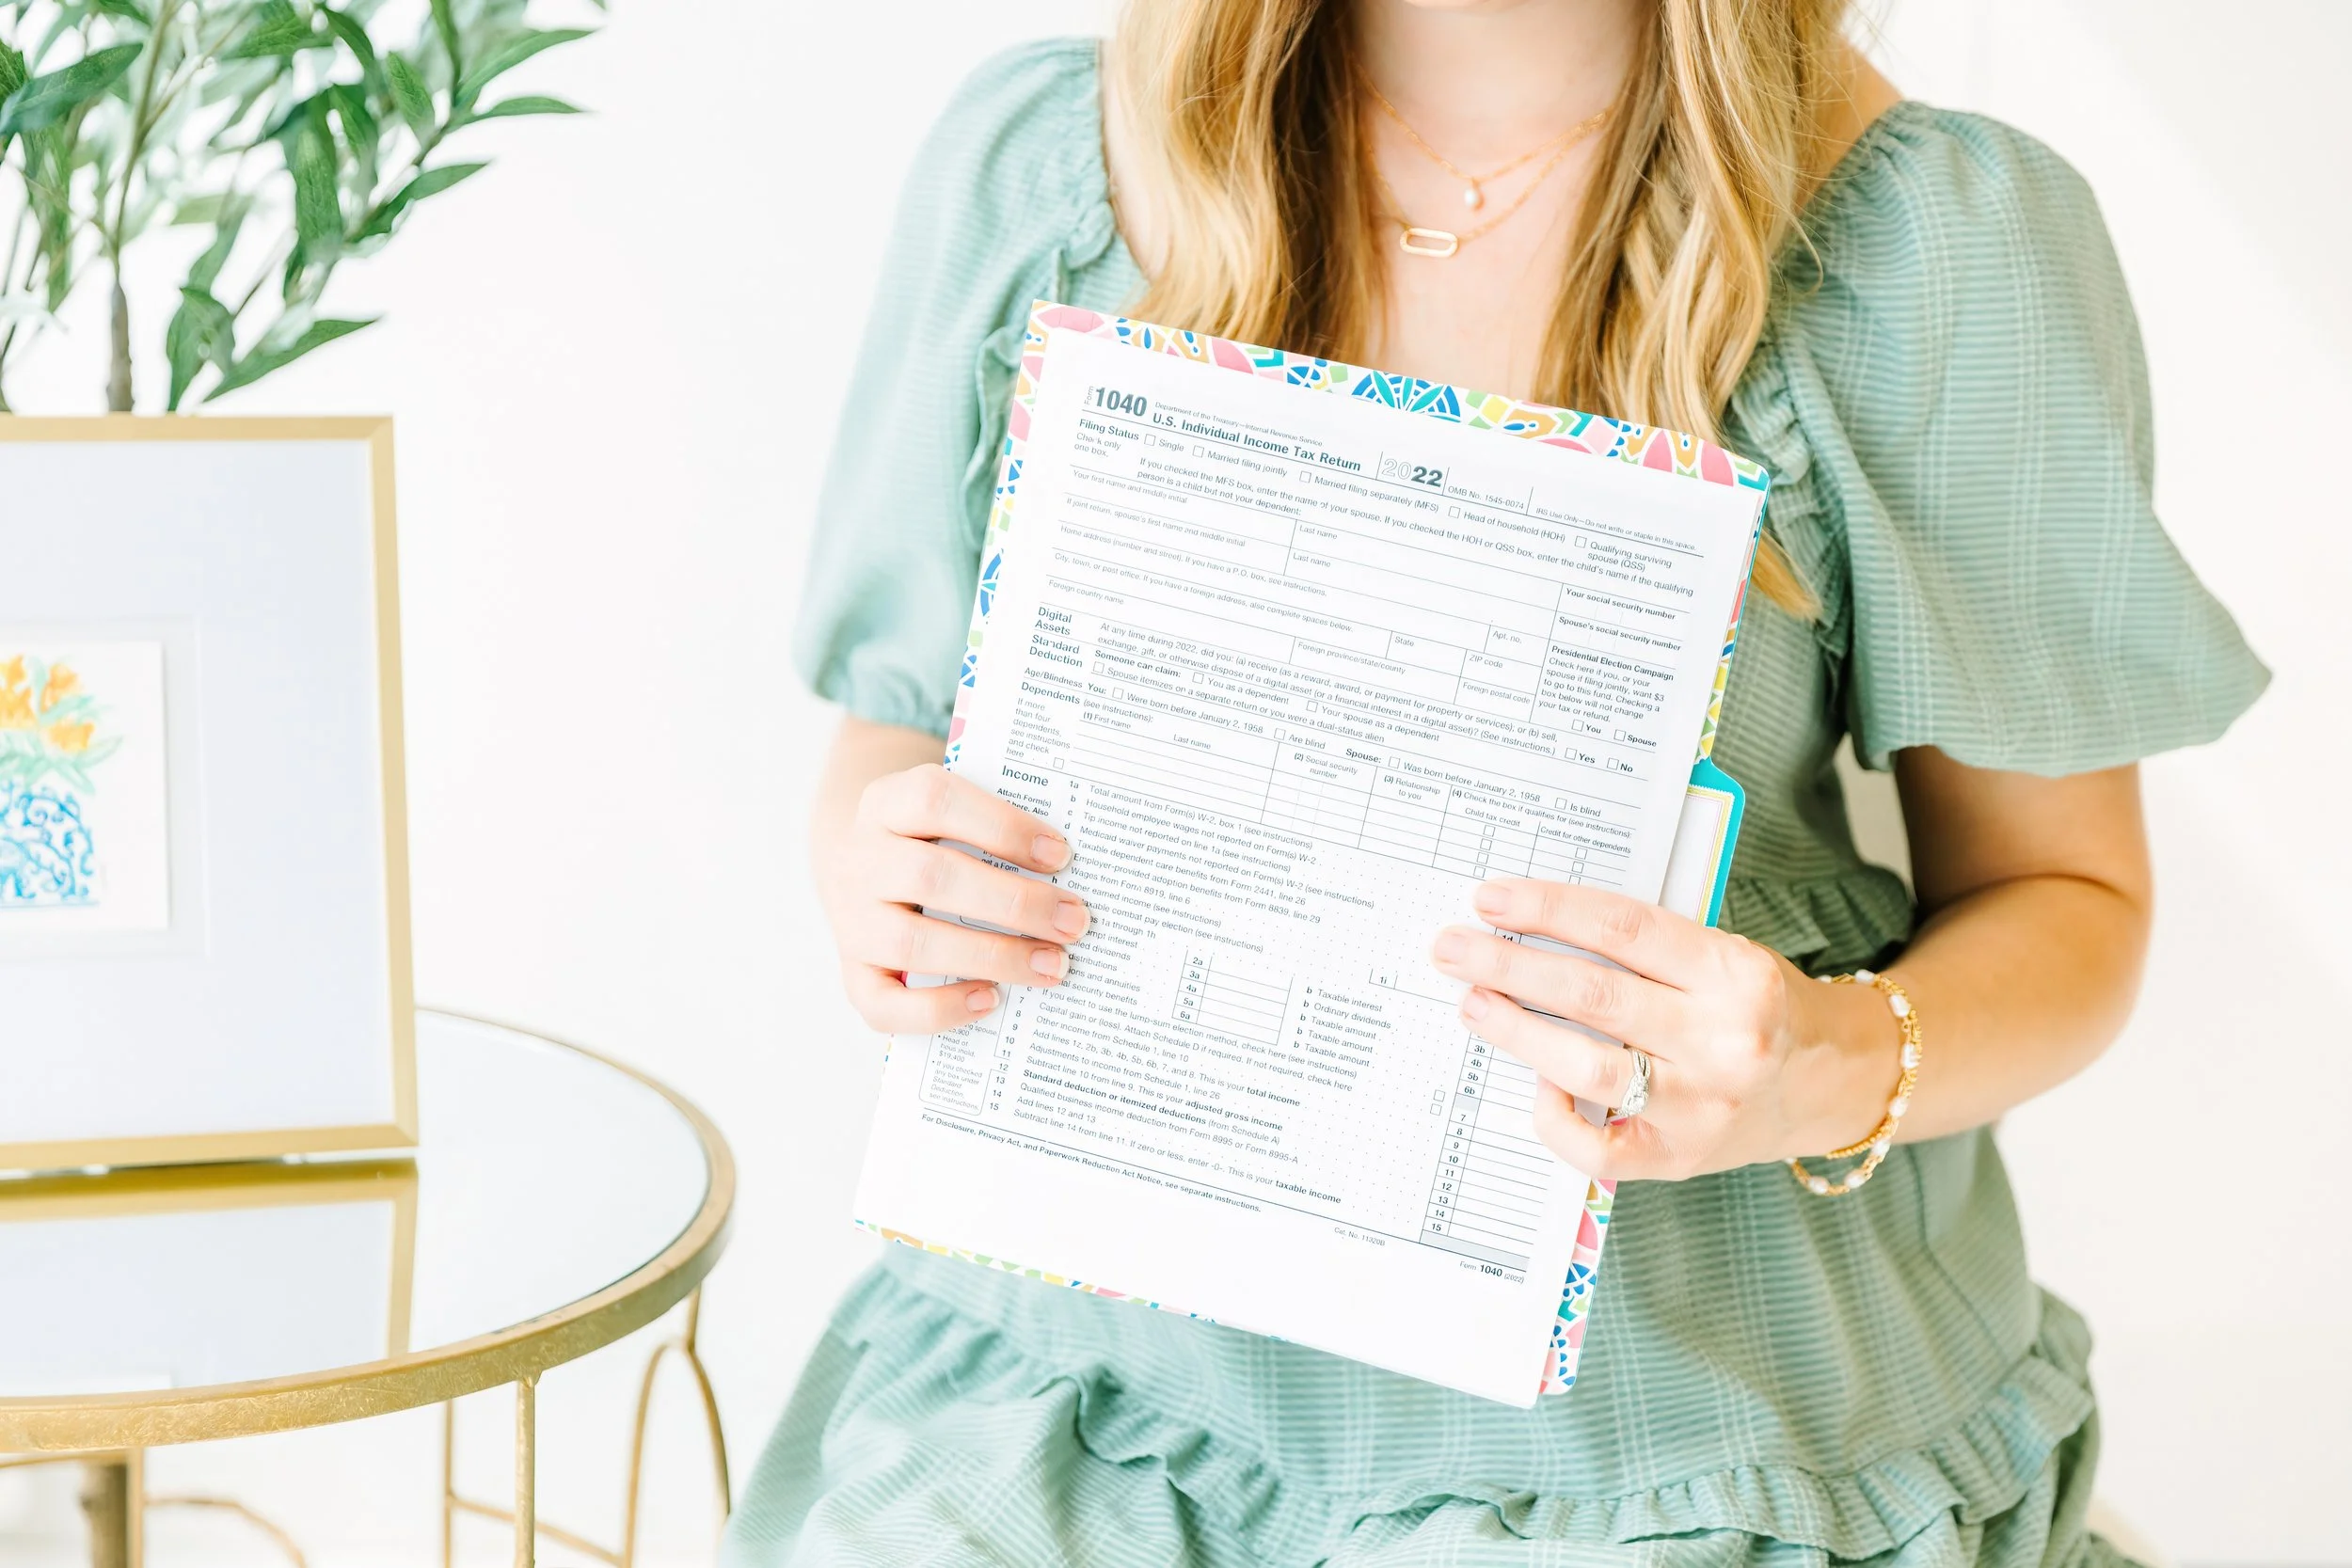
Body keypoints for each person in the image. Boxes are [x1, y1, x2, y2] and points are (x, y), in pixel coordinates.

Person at [725, 1, 2266, 1562]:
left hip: (1666, 1419)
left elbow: (2067, 894)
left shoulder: (1931, 242)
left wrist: (1824, 1057)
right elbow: (902, 726)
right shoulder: (1040, 162)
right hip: (1098, 1370)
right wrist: (885, 872)